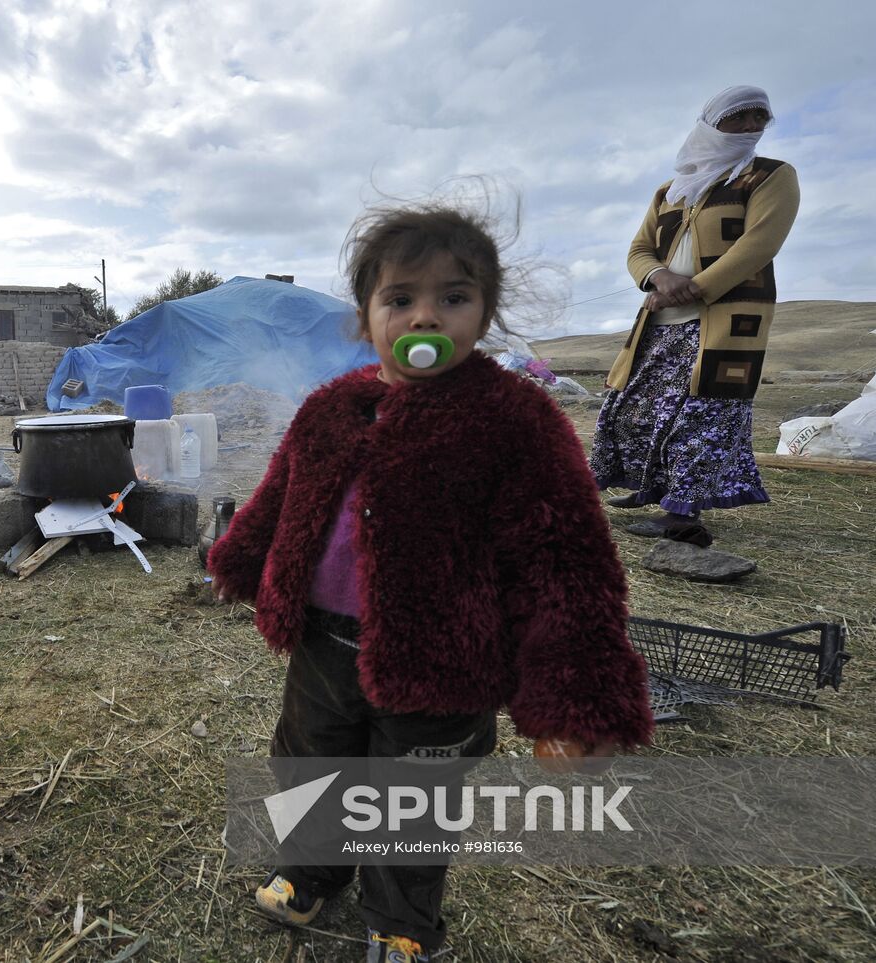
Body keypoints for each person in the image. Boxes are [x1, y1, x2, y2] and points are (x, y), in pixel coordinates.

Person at [206, 201, 654, 962]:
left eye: (454, 297)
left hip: (445, 663)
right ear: (365, 315)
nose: (428, 316)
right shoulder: (332, 408)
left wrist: (575, 698)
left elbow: (564, 558)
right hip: (324, 644)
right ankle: (311, 871)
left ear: (485, 311)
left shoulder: (515, 419)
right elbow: (283, 492)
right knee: (311, 761)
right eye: (401, 297)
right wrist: (243, 559)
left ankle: (402, 918)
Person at [591, 86, 800, 546]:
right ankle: (651, 486)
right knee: (635, 404)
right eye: (737, 117)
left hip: (725, 319)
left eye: (758, 118)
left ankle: (682, 513)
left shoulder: (769, 176)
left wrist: (693, 290)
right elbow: (639, 250)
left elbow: (758, 246)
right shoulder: (670, 191)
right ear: (710, 122)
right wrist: (659, 278)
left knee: (704, 412)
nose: (749, 127)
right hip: (660, 318)